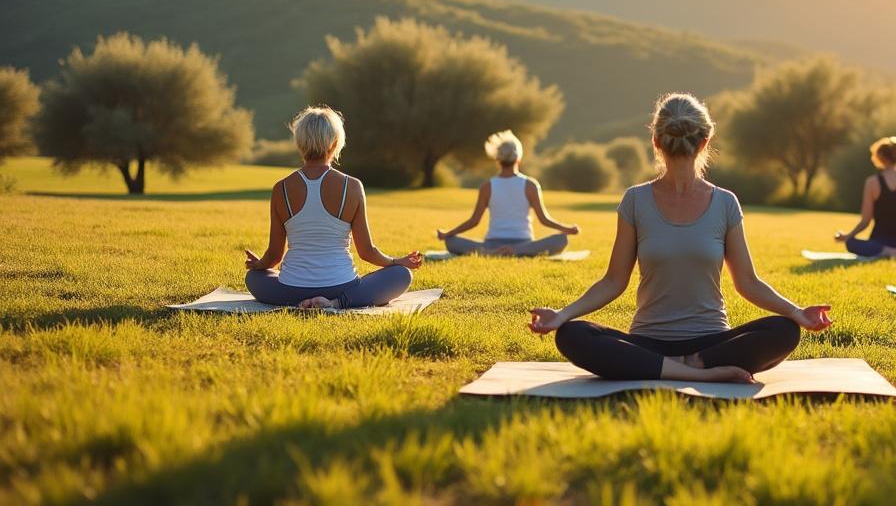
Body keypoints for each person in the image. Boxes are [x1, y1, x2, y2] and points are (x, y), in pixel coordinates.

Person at [527, 93, 833, 383]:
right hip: (648, 342)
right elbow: (614, 281)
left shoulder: (724, 203)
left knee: (784, 330)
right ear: (705, 141)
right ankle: (700, 374)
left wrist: (795, 314)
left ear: (655, 141)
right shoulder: (636, 200)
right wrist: (562, 316)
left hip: (710, 345)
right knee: (572, 334)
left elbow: (747, 282)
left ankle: (678, 368)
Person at [244, 106, 422, 309]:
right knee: (401, 274)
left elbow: (274, 255)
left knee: (254, 278)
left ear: (299, 143)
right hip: (341, 286)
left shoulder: (281, 189)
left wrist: (259, 266)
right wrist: (397, 261)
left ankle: (300, 302)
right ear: (335, 143)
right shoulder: (352, 186)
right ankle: (337, 303)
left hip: (291, 289)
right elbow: (366, 251)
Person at [436, 130, 580, 256]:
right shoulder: (530, 185)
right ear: (518, 158)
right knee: (561, 239)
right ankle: (516, 251)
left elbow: (474, 221)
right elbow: (544, 219)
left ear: (497, 159)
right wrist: (567, 229)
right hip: (524, 244)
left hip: (491, 244)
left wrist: (448, 234)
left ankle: (490, 253)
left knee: (452, 242)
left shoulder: (487, 186)